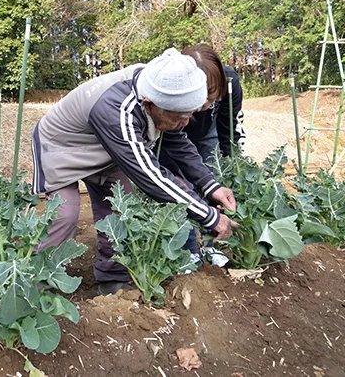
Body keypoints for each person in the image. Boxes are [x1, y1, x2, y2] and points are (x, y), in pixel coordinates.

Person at [31, 48, 238, 295]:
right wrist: (209, 216)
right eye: (181, 116)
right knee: (64, 213)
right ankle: (37, 287)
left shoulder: (161, 87)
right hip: (63, 146)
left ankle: (113, 278)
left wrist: (210, 186)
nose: (185, 123)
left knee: (120, 208)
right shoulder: (118, 109)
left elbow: (179, 142)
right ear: (150, 105)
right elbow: (152, 177)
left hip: (107, 148)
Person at [157, 44, 244, 262]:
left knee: (212, 187)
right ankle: (187, 252)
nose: (204, 103)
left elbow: (228, 126)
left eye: (212, 96)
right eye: (200, 95)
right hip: (174, 135)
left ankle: (210, 245)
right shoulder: (175, 87)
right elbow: (171, 136)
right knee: (180, 189)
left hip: (207, 135)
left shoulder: (230, 83)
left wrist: (228, 161)